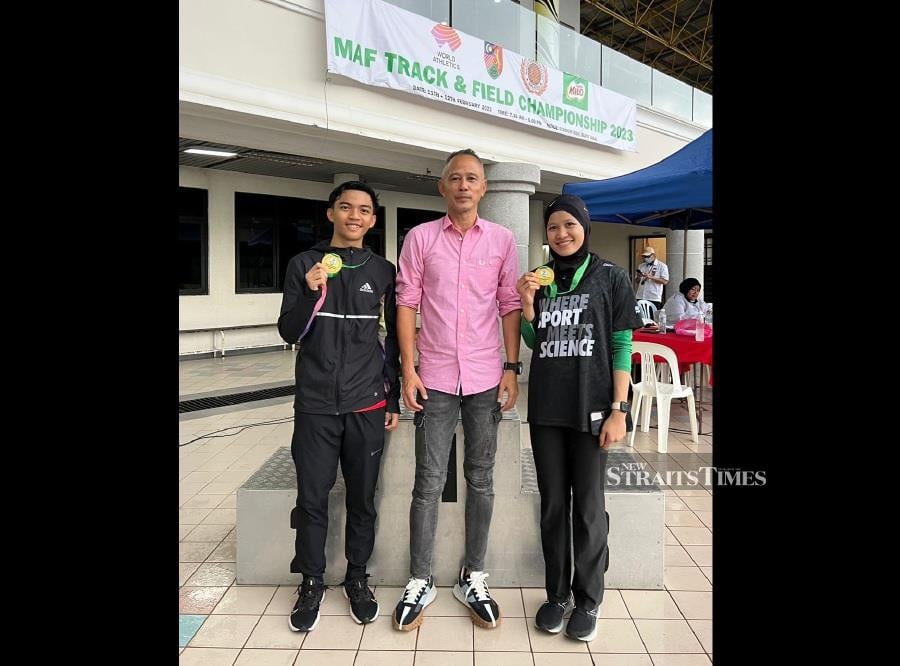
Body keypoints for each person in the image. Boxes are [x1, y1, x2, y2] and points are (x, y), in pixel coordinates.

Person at [392, 148, 522, 632]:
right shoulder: (420, 238)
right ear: (442, 187)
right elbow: (406, 303)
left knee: (481, 477)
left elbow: (509, 304)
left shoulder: (503, 240)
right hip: (437, 378)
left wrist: (511, 368)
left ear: (484, 188)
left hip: (487, 376)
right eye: (455, 178)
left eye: (473, 178)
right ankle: (420, 579)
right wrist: (409, 369)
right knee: (428, 481)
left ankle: (474, 574)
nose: (464, 185)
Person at [516, 194, 643, 642]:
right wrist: (529, 305)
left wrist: (618, 409)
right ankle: (556, 595)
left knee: (588, 508)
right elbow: (537, 341)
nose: (562, 233)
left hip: (593, 410)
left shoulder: (611, 276)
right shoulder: (541, 279)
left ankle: (589, 598)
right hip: (548, 410)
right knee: (553, 507)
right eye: (553, 227)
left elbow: (622, 346)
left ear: (584, 228)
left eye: (570, 225)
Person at [277, 181, 401, 632]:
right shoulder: (304, 265)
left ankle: (356, 577)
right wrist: (312, 293)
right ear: (330, 213)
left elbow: (392, 342)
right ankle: (311, 580)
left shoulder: (384, 271)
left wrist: (392, 395)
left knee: (363, 499)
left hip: (367, 403)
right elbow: (289, 332)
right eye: (345, 207)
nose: (354, 215)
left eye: (364, 210)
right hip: (314, 404)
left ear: (372, 220)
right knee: (312, 498)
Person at [634, 245, 669, 311]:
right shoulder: (641, 266)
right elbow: (637, 281)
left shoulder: (662, 266)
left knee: (652, 318)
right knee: (640, 317)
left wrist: (651, 277)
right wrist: (639, 276)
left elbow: (665, 281)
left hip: (653, 297)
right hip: (640, 295)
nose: (646, 258)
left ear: (653, 255)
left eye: (647, 256)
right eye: (644, 256)